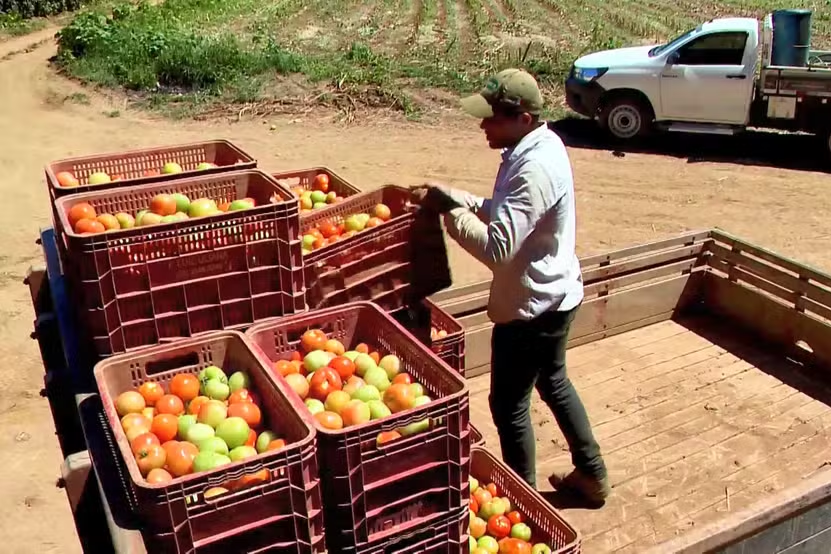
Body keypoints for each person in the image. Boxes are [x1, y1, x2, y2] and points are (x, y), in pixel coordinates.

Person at [409, 68, 610, 506]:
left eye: (492, 118)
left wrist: (451, 215)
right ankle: (592, 474)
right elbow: (504, 211)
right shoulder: (537, 145)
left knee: (508, 405)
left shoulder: (533, 167)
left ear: (521, 118)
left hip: (533, 306)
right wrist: (454, 196)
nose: (483, 125)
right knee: (553, 381)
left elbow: (498, 247)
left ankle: (523, 504)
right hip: (556, 291)